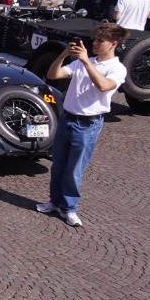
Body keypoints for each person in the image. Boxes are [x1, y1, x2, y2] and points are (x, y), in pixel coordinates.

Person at [36, 23, 128, 227]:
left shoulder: (117, 68)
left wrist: (86, 61)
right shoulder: (81, 62)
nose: (94, 43)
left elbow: (104, 86)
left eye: (100, 40)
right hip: (67, 118)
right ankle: (54, 202)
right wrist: (63, 55)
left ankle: (69, 208)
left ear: (113, 44)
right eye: (94, 39)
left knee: (74, 169)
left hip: (88, 124)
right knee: (58, 165)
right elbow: (53, 75)